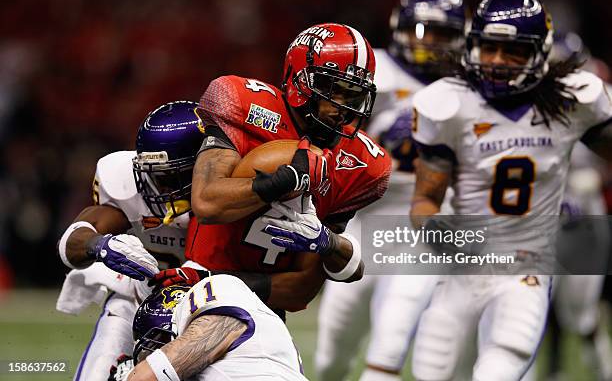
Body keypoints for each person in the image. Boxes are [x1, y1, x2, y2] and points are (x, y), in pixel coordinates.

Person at [409, 0, 612, 380]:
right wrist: (438, 231)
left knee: (500, 366)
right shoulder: (448, 103)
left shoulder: (573, 102)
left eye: (513, 51)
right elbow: (424, 201)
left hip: (526, 269)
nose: (498, 61)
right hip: (463, 268)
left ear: (540, 54)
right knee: (430, 371)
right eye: (489, 48)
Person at [157, 23, 391, 314]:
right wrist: (284, 180)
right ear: (299, 80)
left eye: (353, 94)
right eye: (333, 89)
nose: (341, 107)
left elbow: (300, 289)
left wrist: (327, 242)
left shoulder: (362, 164)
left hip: (265, 305)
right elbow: (207, 203)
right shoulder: (242, 102)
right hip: (194, 281)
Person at [314, 0, 466, 381]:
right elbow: (324, 130)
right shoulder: (374, 70)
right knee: (333, 352)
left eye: (443, 35)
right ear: (401, 26)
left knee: (391, 342)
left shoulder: (467, 89)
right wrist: (375, 142)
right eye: (424, 31)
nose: (432, 44)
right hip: (364, 217)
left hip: (426, 221)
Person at [56, 101, 203, 381]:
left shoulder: (232, 189)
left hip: (208, 311)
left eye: (170, 175)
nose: (157, 186)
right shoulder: (124, 182)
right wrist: (100, 246)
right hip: (139, 303)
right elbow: (73, 240)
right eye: (151, 174)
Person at [109, 275, 308, 381]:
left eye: (157, 347)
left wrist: (126, 376)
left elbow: (145, 378)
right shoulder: (241, 358)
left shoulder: (221, 290)